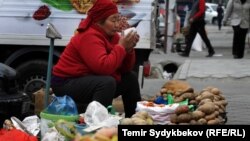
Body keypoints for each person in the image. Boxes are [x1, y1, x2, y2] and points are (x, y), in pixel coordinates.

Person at [51, 0, 141, 117]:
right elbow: (103, 68)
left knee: (130, 78)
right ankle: (98, 123)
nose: (116, 24)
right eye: (113, 20)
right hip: (65, 83)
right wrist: (121, 47)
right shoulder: (89, 36)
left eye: (117, 19)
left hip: (86, 78)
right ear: (99, 22)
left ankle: (134, 120)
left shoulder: (112, 36)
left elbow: (125, 69)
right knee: (106, 82)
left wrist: (128, 50)